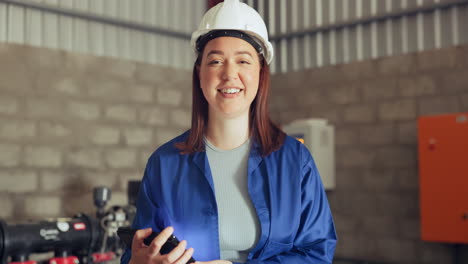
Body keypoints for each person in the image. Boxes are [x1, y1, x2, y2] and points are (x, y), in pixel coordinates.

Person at [121, 0, 337, 263]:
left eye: (243, 61)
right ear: (199, 73)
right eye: (215, 61)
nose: (229, 74)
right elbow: (138, 251)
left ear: (261, 72)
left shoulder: (296, 161)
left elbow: (317, 253)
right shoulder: (164, 164)